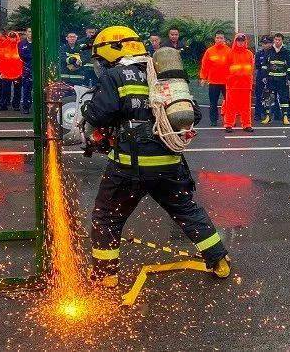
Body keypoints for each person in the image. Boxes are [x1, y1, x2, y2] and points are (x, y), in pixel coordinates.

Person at [79, 25, 230, 287]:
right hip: (170, 163)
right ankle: (219, 261)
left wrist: (88, 110)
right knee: (186, 210)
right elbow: (193, 114)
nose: (100, 65)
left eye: (100, 58)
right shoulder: (164, 73)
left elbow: (99, 115)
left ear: (114, 50)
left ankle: (106, 276)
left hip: (129, 167)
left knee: (107, 217)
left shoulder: (115, 75)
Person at [223, 33, 255, 133]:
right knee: (230, 107)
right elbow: (225, 69)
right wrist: (229, 80)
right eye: (239, 40)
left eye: (242, 41)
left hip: (245, 85)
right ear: (235, 41)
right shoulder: (230, 53)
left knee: (246, 107)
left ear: (245, 42)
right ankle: (228, 124)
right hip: (233, 85)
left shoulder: (249, 54)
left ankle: (247, 124)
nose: (240, 43)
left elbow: (251, 69)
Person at [261, 33, 290, 125]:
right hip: (270, 79)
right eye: (276, 39)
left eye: (279, 40)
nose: (277, 41)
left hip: (282, 79)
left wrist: (289, 78)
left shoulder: (286, 52)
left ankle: (285, 117)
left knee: (284, 98)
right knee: (268, 98)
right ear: (274, 40)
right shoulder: (269, 51)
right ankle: (268, 117)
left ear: (282, 41)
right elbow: (264, 64)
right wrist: (264, 76)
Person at [199, 31, 231, 126]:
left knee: (229, 102)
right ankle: (213, 120)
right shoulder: (209, 51)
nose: (219, 40)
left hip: (227, 82)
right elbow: (205, 65)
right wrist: (203, 78)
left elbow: (232, 65)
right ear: (215, 39)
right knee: (213, 102)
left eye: (221, 38)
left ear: (224, 39)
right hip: (213, 82)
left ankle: (229, 120)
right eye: (217, 38)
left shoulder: (229, 51)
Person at [0, 31, 22, 111]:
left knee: (17, 90)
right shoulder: (5, 46)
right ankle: (3, 105)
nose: (12, 39)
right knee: (5, 90)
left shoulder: (20, 47)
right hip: (6, 73)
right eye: (11, 37)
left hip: (17, 74)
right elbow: (2, 60)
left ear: (16, 38)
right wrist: (2, 72)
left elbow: (23, 60)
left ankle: (16, 105)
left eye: (14, 37)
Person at [254, 35, 273, 121]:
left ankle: (267, 114)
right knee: (258, 96)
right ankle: (257, 114)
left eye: (267, 43)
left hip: (270, 76)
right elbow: (257, 65)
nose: (265, 45)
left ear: (271, 44)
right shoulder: (259, 54)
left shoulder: (273, 53)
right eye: (263, 43)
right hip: (260, 76)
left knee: (269, 96)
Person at [18, 28, 33, 114]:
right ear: (26, 33)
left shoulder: (38, 43)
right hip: (27, 69)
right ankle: (26, 107)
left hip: (37, 69)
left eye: (32, 31)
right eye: (29, 31)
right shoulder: (21, 43)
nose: (31, 33)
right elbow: (22, 55)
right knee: (26, 89)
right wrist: (32, 56)